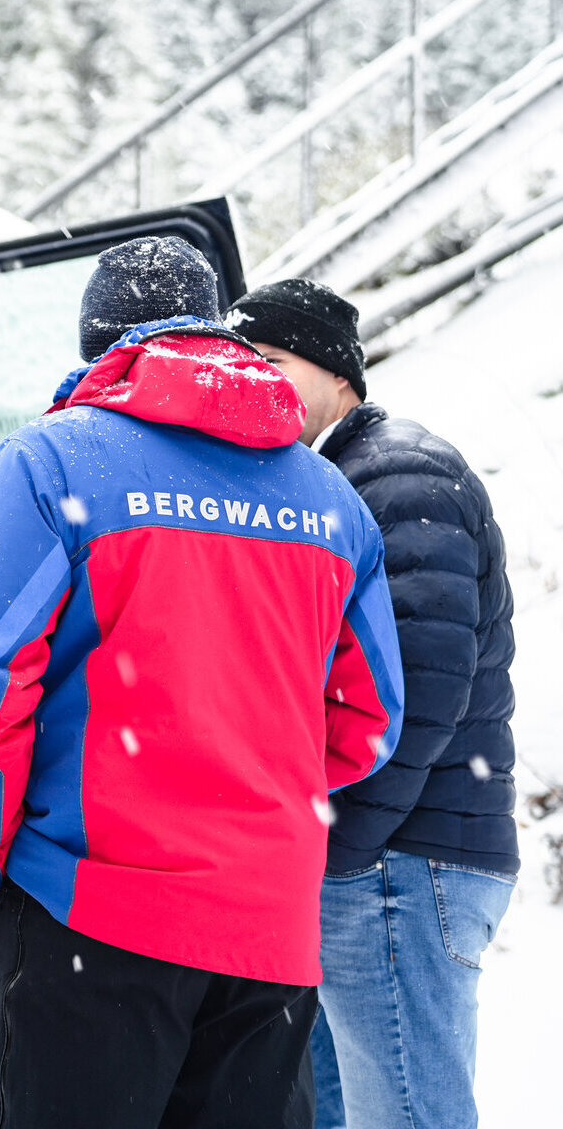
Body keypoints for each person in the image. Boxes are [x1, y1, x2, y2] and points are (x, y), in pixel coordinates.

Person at [0, 236, 406, 1129]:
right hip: (267, 934)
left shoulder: (55, 463)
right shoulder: (330, 500)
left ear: (99, 345)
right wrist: (252, 798)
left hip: (90, 911)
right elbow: (371, 723)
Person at [228, 277, 517, 1129]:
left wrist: (341, 847)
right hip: (379, 855)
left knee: (407, 1115)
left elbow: (422, 693)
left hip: (400, 858)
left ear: (338, 375)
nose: (258, 383)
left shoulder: (398, 475)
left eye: (274, 362)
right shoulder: (331, 481)